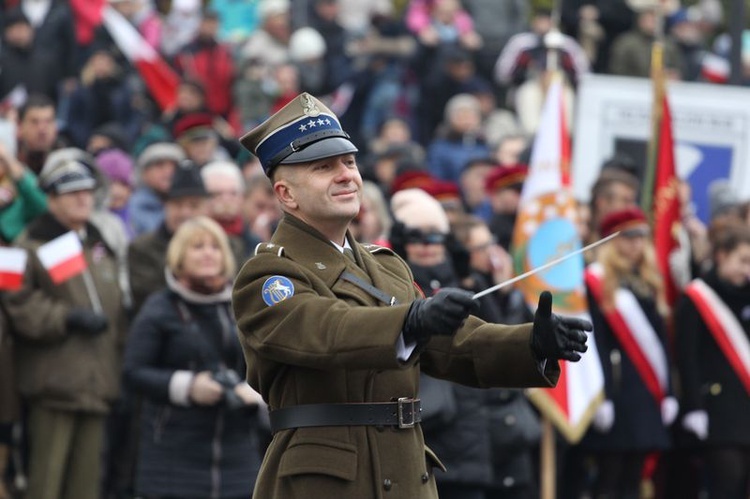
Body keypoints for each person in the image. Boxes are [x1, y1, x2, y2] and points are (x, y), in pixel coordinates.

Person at [232, 92, 590, 498]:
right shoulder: (267, 274)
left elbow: (450, 344)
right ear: (286, 194)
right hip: (326, 482)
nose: (346, 174)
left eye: (349, 162)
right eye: (323, 167)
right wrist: (409, 320)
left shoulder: (386, 266)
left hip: (404, 472)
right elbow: (325, 330)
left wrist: (530, 344)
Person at [2, 155, 126, 499]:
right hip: (52, 386)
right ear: (51, 198)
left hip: (97, 384)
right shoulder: (29, 244)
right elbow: (16, 303)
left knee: (86, 486)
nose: (83, 198)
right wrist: (65, 318)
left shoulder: (100, 245)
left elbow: (117, 311)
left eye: (87, 191)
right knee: (46, 483)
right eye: (72, 193)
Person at [123, 216, 264, 498]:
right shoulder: (160, 308)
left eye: (215, 246)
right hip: (173, 454)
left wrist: (251, 393)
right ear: (179, 256)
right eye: (198, 247)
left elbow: (264, 366)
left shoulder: (241, 306)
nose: (208, 253)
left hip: (237, 454)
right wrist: (187, 387)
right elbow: (134, 371)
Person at [582, 207, 678, 499]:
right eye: (629, 237)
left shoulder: (647, 280)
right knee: (610, 476)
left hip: (646, 390)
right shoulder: (595, 281)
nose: (636, 244)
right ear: (611, 241)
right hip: (618, 388)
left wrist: (670, 391)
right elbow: (594, 342)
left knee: (634, 478)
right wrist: (603, 397)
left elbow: (661, 344)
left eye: (641, 237)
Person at [676, 222, 750, 499]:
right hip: (718, 413)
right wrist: (695, 407)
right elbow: (687, 356)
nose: (747, 270)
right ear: (721, 255)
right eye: (742, 260)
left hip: (746, 408)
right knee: (726, 484)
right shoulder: (698, 297)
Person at [128, 162, 209, 312]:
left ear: (207, 208)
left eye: (193, 205)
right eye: (177, 204)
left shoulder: (225, 247)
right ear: (165, 206)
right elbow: (147, 298)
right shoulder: (142, 249)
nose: (185, 213)